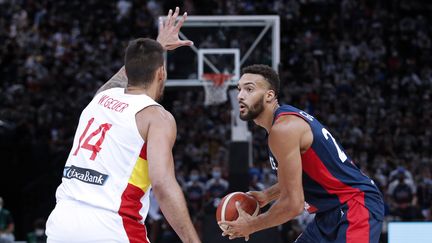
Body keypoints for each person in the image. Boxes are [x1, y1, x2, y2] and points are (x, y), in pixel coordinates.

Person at [46, 7, 201, 243]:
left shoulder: (100, 98)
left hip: (62, 222)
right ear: (161, 73)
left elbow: (120, 78)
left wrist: (157, 47)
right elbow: (162, 183)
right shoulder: (157, 117)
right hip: (111, 226)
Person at [219, 64, 384, 242]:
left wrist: (251, 225)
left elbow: (294, 205)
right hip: (328, 213)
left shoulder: (283, 129)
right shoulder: (280, 126)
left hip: (356, 204)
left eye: (249, 89)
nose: (240, 96)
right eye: (239, 89)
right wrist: (267, 195)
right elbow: (294, 181)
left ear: (269, 95)